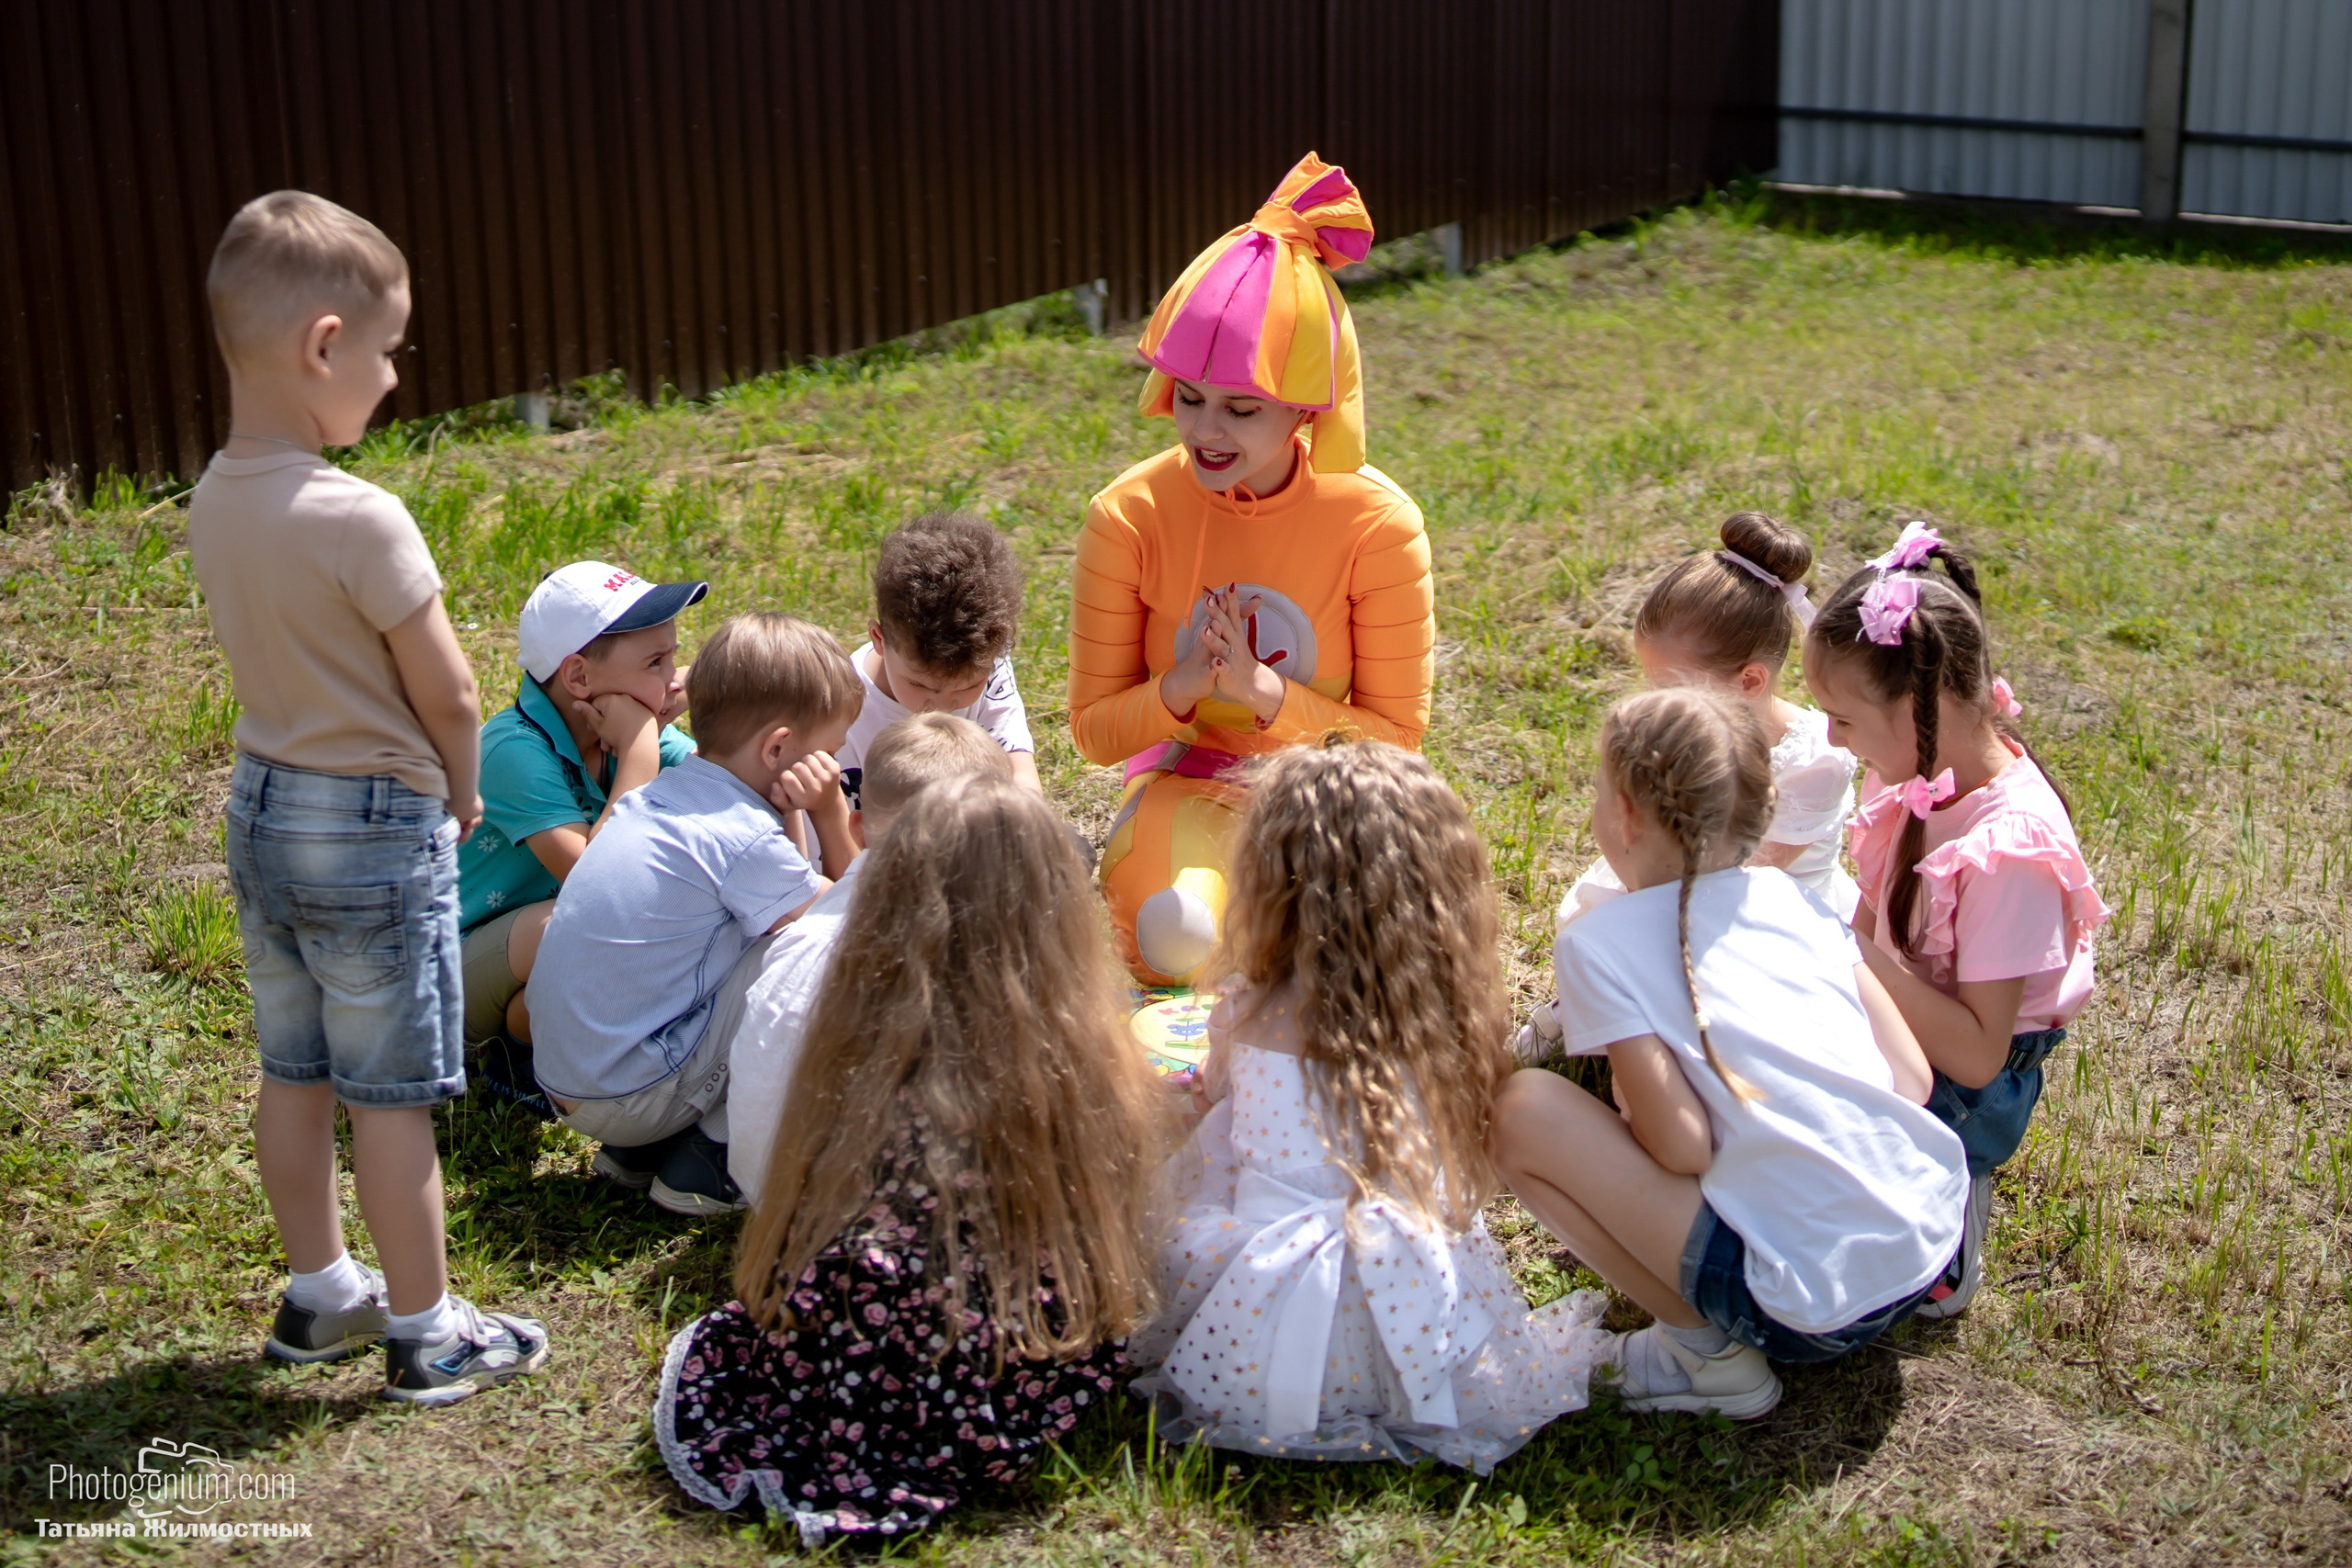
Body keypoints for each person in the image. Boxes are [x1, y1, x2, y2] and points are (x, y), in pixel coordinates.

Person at [188, 189, 548, 1404]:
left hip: (263, 804)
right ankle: (427, 1326)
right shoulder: (363, 517)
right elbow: (448, 689)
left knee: (294, 1070)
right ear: (324, 346)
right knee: (392, 1095)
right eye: (388, 351)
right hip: (373, 823)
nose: (395, 378)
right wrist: (459, 791)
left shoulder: (212, 499)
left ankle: (320, 1286)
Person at [655, 777, 1165, 1546]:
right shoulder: (1070, 1061)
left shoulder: (862, 1038)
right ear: (1055, 917)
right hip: (1010, 1372)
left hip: (856, 1361)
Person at [1128, 739, 1607, 1470]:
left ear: (1270, 883)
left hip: (1253, 1309)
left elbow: (1218, 1101)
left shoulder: (1247, 1008)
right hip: (1404, 1300)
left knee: (1215, 1136)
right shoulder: (1436, 1025)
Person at [1492, 688, 1968, 1420]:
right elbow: (1910, 1079)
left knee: (1519, 1111)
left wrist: (1636, 1096)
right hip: (1926, 1243)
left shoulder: (1596, 942)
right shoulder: (1791, 895)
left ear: (1623, 813)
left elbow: (1682, 1146)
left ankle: (1703, 1357)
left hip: (1803, 1307)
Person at [1069, 152, 1435, 983]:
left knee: (1354, 962)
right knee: (1179, 938)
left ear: (1308, 407)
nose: (1205, 430)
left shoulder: (1379, 523)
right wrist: (1185, 689)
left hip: (1329, 794)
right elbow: (1092, 731)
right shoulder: (1126, 514)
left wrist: (1265, 697)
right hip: (1183, 785)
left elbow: (1399, 742)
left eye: (1241, 408)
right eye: (1188, 398)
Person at [1804, 522, 2107, 1318]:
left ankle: (1948, 1201)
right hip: (1901, 1004)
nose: (1831, 737)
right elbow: (1871, 919)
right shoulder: (1916, 761)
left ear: (1924, 705)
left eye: (1842, 717)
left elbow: (1977, 1054)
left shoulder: (2010, 851)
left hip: (1970, 1084)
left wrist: (1854, 963)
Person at [526, 614, 861, 1216]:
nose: (833, 769)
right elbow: (851, 923)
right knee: (815, 962)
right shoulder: (739, 838)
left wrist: (793, 813)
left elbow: (786, 883)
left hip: (579, 1080)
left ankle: (643, 1149)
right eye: (830, 754)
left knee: (760, 935)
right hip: (628, 1092)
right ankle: (711, 1157)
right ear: (779, 749)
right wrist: (832, 814)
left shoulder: (671, 794)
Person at [1519, 512, 1858, 1061]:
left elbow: (1746, 877)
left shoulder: (1813, 762)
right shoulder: (1690, 730)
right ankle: (1601, 1016)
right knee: (1602, 918)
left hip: (1750, 910)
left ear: (1749, 681)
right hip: (1678, 873)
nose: (1659, 699)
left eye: (1670, 685)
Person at [726, 712, 1015, 1197]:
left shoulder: (815, 923)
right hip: (864, 1227)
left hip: (764, 1195)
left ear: (858, 828)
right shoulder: (945, 943)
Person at [458, 560, 705, 1106]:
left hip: (529, 967)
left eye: (673, 657)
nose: (673, 679)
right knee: (573, 928)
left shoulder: (637, 738)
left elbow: (724, 797)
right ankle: (514, 1060)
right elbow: (595, 884)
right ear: (578, 678)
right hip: (448, 976)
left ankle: (531, 1041)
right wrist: (641, 746)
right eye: (655, 662)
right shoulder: (512, 750)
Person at [835, 513, 1039, 807]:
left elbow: (1019, 770)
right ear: (879, 639)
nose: (942, 706)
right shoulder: (843, 715)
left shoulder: (983, 660)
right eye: (920, 685)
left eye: (968, 687)